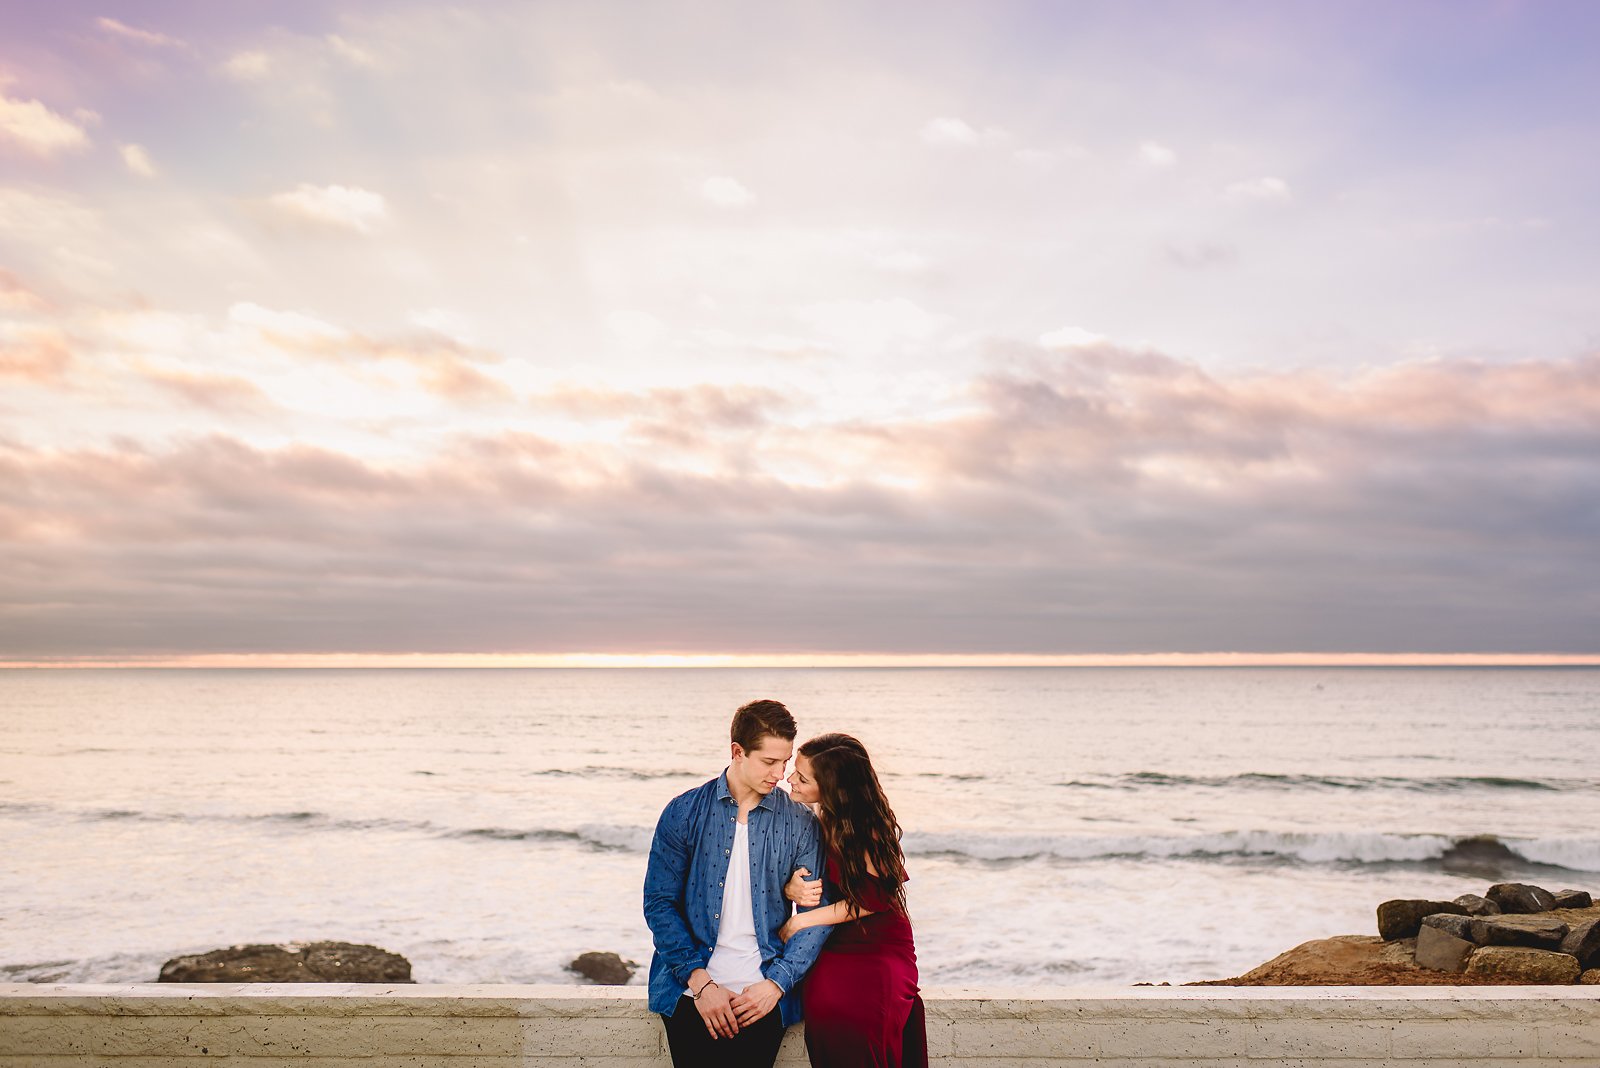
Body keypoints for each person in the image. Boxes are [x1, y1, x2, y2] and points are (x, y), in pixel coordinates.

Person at [643, 699, 832, 1067]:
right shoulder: (684, 812)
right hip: (689, 993)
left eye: (785, 761)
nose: (779, 774)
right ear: (737, 751)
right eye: (769, 761)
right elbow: (659, 903)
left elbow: (817, 914)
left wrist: (776, 984)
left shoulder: (800, 823)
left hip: (762, 996)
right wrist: (701, 985)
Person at [779, 733, 927, 1068]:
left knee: (853, 1016)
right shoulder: (820, 815)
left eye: (802, 778)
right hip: (839, 939)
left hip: (879, 945)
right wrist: (791, 890)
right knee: (820, 1001)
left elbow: (872, 900)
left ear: (831, 788)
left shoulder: (864, 826)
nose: (790, 780)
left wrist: (802, 920)